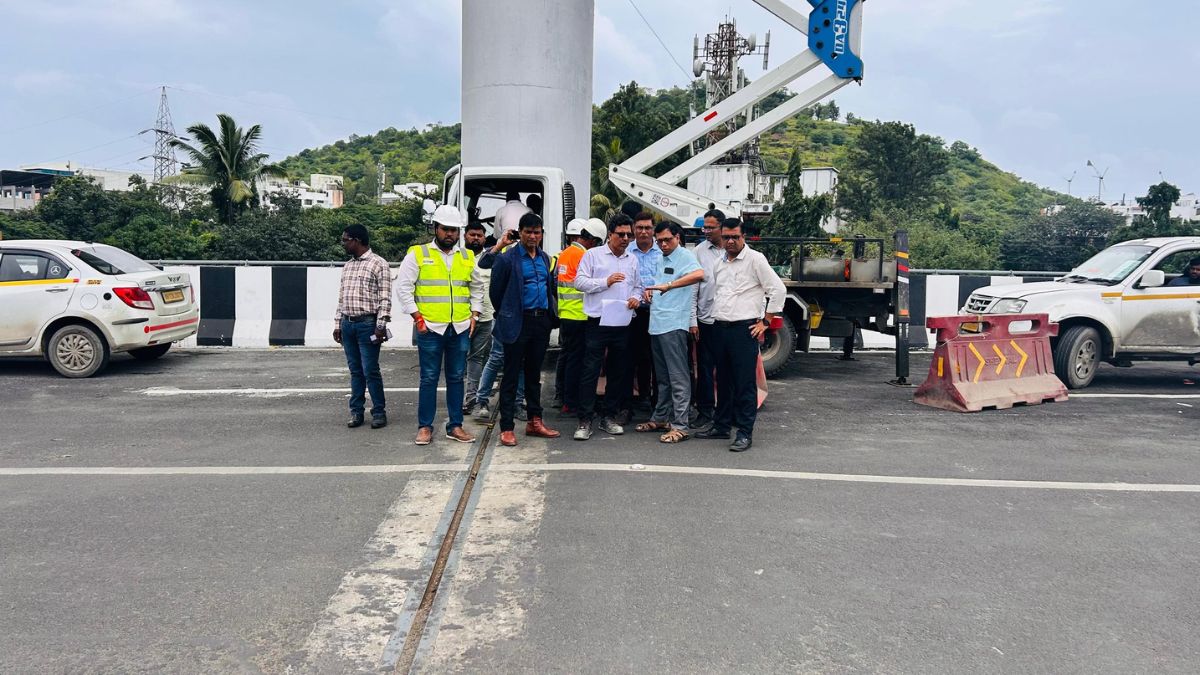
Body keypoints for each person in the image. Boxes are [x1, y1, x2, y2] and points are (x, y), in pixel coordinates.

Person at [695, 217, 786, 452]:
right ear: (721, 237)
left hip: (743, 330)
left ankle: (745, 432)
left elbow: (778, 290)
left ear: (743, 236)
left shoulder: (755, 260)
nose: (731, 241)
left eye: (735, 236)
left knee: (745, 384)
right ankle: (722, 426)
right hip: (720, 327)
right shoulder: (719, 263)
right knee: (722, 380)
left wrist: (765, 322)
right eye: (726, 237)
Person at [396, 205, 482, 446]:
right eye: (446, 229)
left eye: (454, 230)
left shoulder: (466, 256)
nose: (450, 235)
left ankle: (455, 426)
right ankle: (425, 426)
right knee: (429, 378)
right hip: (430, 327)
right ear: (435, 228)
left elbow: (476, 287)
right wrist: (417, 317)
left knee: (456, 377)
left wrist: (475, 314)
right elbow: (403, 287)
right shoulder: (418, 253)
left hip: (460, 327)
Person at [489, 212, 561, 446]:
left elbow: (550, 288)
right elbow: (495, 294)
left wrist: (550, 317)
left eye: (536, 232)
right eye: (528, 232)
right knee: (510, 375)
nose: (532, 236)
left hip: (541, 323)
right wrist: (508, 313)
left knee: (533, 375)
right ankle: (507, 427)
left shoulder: (545, 259)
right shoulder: (507, 259)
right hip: (517, 322)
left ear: (542, 234)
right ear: (520, 233)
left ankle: (535, 421)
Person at [572, 213, 644, 441]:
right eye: (620, 234)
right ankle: (585, 419)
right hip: (597, 321)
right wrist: (606, 281)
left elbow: (638, 286)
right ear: (610, 234)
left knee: (618, 372)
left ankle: (608, 416)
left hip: (622, 322)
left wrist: (636, 299)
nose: (625, 239)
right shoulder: (593, 255)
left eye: (628, 235)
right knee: (590, 371)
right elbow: (579, 282)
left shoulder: (632, 259)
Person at [636, 221, 704, 443]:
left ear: (678, 238)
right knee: (663, 378)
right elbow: (658, 284)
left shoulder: (685, 256)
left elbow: (698, 274)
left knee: (678, 377)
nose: (663, 244)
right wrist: (650, 293)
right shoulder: (661, 258)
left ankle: (681, 425)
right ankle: (661, 418)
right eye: (660, 241)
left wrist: (671, 285)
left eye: (667, 240)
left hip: (674, 324)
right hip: (657, 324)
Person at [333, 224, 392, 429]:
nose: (343, 243)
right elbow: (342, 297)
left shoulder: (379, 264)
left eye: (345, 240)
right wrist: (337, 323)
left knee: (370, 370)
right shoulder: (348, 266)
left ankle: (378, 412)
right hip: (347, 323)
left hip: (368, 324)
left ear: (356, 240)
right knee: (355, 370)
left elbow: (385, 297)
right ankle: (356, 412)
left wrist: (380, 325)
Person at [552, 217, 607, 414]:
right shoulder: (583, 256)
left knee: (568, 358)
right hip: (580, 314)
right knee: (578, 361)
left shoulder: (565, 253)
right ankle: (572, 401)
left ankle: (567, 398)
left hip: (566, 314)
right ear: (594, 240)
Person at [471, 229, 527, 421]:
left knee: (520, 361)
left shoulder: (529, 253)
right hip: (504, 315)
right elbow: (484, 262)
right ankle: (482, 400)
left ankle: (517, 403)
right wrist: (502, 243)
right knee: (496, 357)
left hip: (523, 316)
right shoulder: (503, 253)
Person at [620, 211, 662, 423]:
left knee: (655, 361)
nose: (644, 232)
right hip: (631, 314)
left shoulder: (662, 252)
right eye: (640, 228)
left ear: (653, 229)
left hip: (657, 314)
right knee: (628, 359)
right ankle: (625, 406)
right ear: (634, 230)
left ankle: (654, 404)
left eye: (647, 228)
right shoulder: (626, 252)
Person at [691, 208, 725, 431]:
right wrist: (693, 320)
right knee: (704, 368)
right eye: (705, 227)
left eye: (711, 227)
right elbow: (693, 288)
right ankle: (705, 411)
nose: (706, 231)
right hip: (705, 319)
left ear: (722, 227)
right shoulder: (698, 252)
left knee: (726, 369)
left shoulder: (737, 249)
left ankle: (725, 412)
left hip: (729, 320)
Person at [462, 221, 493, 412]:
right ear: (465, 235)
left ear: (484, 238)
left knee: (479, 358)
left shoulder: (492, 258)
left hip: (487, 316)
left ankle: (475, 398)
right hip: (461, 317)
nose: (475, 238)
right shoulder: (458, 257)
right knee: (459, 359)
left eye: (479, 235)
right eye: (472, 234)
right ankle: (467, 396)